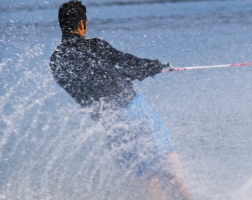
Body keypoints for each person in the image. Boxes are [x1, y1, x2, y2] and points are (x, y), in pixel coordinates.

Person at [49, 1, 191, 199]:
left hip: (109, 124)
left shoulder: (56, 60)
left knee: (146, 176)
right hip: (133, 111)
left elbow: (92, 84)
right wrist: (155, 66)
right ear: (82, 24)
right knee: (169, 165)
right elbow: (129, 64)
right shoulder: (95, 46)